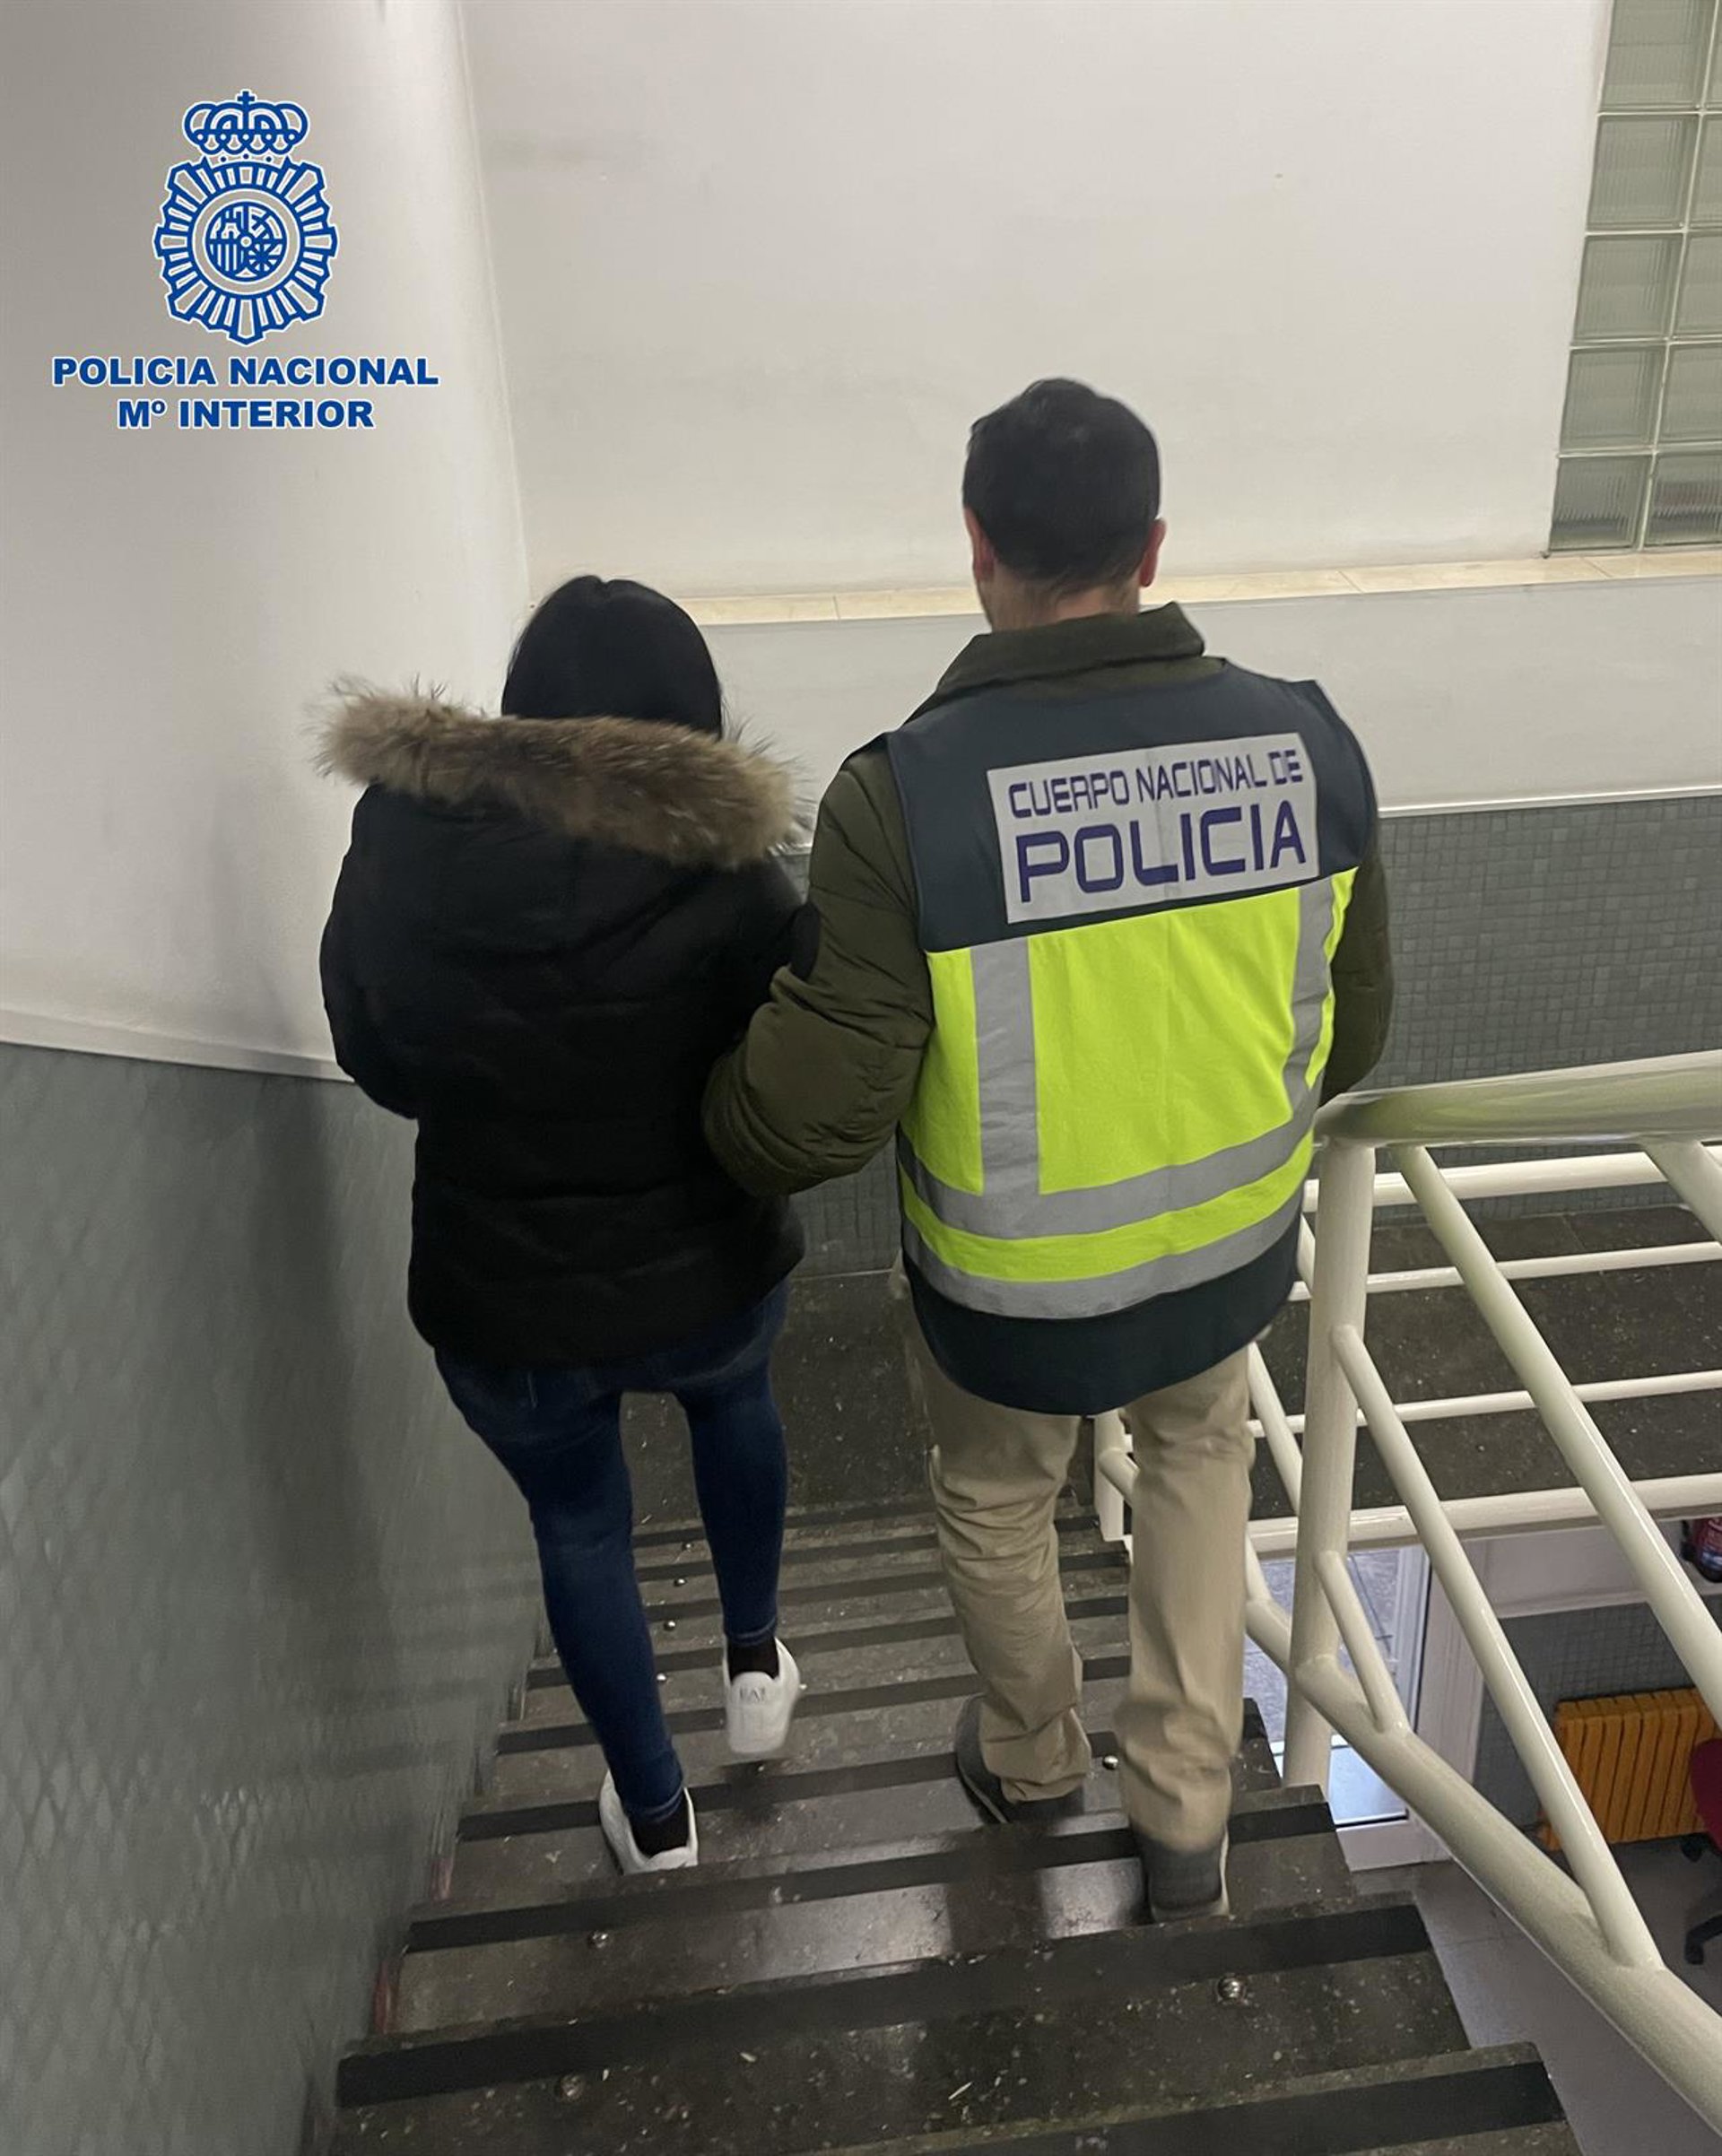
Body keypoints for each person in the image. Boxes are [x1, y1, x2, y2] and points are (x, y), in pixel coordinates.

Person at [704, 380, 1392, 1920]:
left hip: (1006, 1304)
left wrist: (707, 1116)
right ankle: (1188, 1819)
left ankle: (1031, 1758)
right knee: (1201, 1467)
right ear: (1153, 547)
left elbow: (820, 1113)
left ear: (976, 546)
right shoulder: (1306, 744)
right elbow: (1351, 1039)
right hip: (1223, 1263)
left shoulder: (905, 798)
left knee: (999, 1498)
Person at [319, 576, 809, 1875]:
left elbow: (375, 1055)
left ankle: (656, 1822)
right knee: (735, 1402)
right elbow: (785, 1059)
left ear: (522, 709)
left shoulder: (399, 844)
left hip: (507, 1296)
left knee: (580, 1526)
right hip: (707, 1261)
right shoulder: (732, 870)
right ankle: (754, 1670)